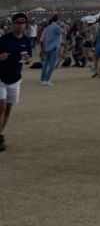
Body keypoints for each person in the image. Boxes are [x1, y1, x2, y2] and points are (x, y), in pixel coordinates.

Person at [0, 12, 33, 151]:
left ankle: (0, 134)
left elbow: (29, 57)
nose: (20, 26)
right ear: (12, 24)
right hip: (1, 78)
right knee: (0, 109)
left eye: (23, 23)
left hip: (15, 80)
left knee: (8, 110)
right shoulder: (4, 39)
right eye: (17, 23)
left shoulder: (26, 40)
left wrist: (28, 60)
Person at [40, 14, 63, 86]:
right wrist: (63, 26)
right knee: (52, 64)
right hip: (54, 46)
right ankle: (47, 79)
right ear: (57, 20)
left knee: (46, 63)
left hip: (47, 47)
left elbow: (44, 39)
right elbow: (63, 32)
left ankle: (43, 79)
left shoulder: (48, 27)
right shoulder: (56, 27)